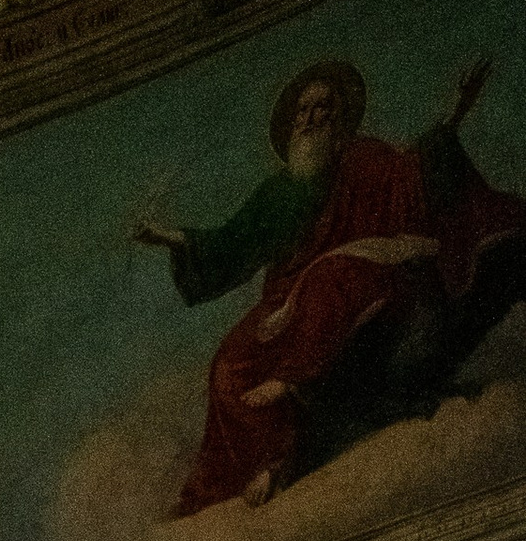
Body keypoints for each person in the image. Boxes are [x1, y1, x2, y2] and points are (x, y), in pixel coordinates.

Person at [136, 55, 526, 512]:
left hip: (377, 271)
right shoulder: (279, 193)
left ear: (339, 115)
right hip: (289, 303)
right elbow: (231, 242)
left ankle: (291, 378)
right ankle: (269, 460)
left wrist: (455, 111)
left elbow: (414, 173)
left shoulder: (363, 158)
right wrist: (168, 237)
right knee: (228, 363)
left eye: (322, 107)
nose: (310, 118)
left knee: (327, 277)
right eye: (302, 112)